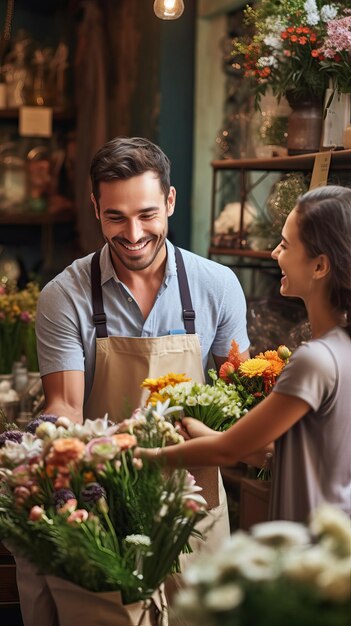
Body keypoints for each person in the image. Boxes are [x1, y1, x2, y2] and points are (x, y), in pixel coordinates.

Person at [14, 137, 250, 626]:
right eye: (116, 217)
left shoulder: (218, 286)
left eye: (147, 214)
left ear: (170, 201)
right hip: (105, 505)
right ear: (95, 207)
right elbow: (65, 407)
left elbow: (237, 401)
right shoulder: (64, 296)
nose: (134, 233)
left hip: (196, 506)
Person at [137, 185, 351, 523]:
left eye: (285, 244)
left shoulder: (315, 360)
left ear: (320, 266)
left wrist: (139, 456)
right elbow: (286, 453)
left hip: (311, 546)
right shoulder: (342, 348)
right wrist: (207, 434)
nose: (274, 254)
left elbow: (229, 450)